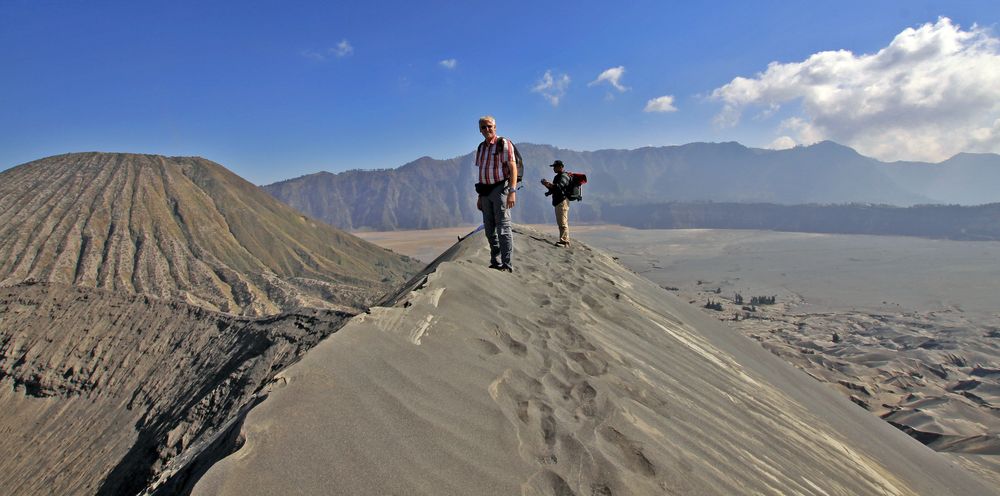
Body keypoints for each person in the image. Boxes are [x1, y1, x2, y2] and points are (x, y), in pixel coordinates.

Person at [474, 115, 518, 272]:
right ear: (479, 130)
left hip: (500, 189)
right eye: (483, 127)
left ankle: (507, 264)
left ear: (495, 127)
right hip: (485, 191)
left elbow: (513, 168)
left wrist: (512, 191)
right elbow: (481, 171)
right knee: (489, 228)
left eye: (489, 126)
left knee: (503, 228)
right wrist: (479, 196)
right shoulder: (480, 147)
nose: (487, 129)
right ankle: (496, 261)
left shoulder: (503, 143)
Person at [541, 160, 572, 247]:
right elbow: (554, 189)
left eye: (555, 166)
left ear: (561, 167)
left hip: (562, 201)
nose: (553, 168)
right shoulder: (557, 177)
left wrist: (548, 184)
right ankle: (563, 240)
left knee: (563, 222)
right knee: (560, 222)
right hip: (558, 201)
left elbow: (559, 187)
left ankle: (565, 242)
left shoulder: (564, 176)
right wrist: (547, 185)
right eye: (553, 167)